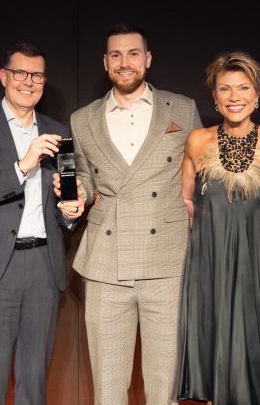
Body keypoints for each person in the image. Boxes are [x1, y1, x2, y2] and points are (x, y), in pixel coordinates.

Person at [0, 42, 84, 405]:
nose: (29, 81)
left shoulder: (58, 130)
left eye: (37, 75)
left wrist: (70, 211)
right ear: (4, 77)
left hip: (42, 264)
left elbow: (61, 203)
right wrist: (22, 166)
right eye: (20, 73)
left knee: (35, 381)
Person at [70, 23, 202, 404]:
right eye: (115, 55)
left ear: (147, 58)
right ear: (105, 62)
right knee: (108, 387)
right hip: (106, 263)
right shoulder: (83, 119)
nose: (123, 62)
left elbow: (208, 162)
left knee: (165, 386)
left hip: (169, 260)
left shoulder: (182, 107)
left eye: (132, 53)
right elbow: (83, 177)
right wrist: (77, 194)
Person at [175, 51, 260, 404]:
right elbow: (185, 204)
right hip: (211, 268)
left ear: (257, 95)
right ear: (214, 97)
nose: (235, 97)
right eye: (225, 89)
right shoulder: (196, 141)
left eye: (243, 88)